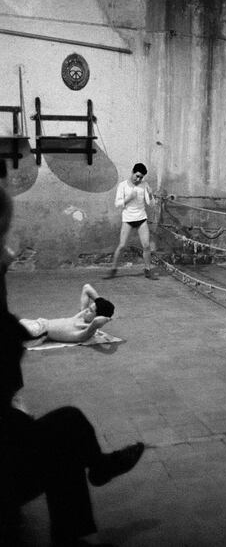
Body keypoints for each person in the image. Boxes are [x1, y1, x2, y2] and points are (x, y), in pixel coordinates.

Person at [0, 179, 145, 547]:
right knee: (66, 432)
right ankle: (97, 470)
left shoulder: (85, 322)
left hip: (37, 334)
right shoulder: (83, 318)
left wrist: (99, 318)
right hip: (38, 332)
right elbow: (86, 298)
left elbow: (88, 313)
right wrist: (96, 312)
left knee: (64, 430)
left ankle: (93, 479)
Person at [19, 283, 114, 345]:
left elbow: (97, 322)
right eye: (88, 308)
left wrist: (107, 318)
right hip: (38, 323)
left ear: (98, 316)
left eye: (90, 311)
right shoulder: (82, 316)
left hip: (38, 331)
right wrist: (99, 302)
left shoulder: (86, 331)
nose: (85, 310)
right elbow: (86, 288)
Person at [108, 163, 157, 280]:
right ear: (133, 172)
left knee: (146, 245)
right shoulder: (123, 185)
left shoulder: (144, 185)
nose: (138, 179)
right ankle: (113, 269)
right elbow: (117, 204)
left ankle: (147, 270)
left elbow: (151, 204)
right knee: (122, 245)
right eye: (137, 176)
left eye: (141, 177)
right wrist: (129, 198)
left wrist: (150, 195)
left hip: (141, 218)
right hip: (128, 219)